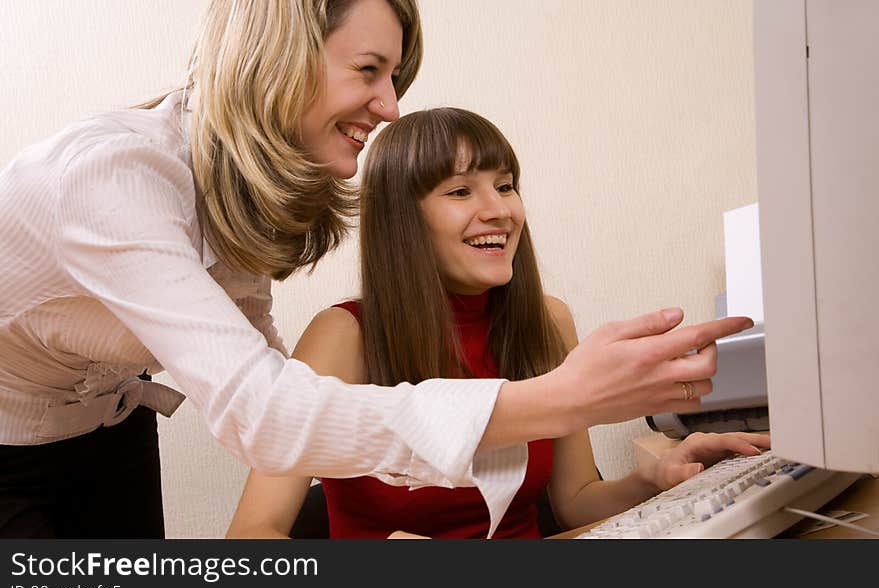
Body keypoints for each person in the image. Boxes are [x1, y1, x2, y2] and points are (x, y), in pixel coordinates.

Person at [0, 0, 752, 538]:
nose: (391, 106)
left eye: (394, 76)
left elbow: (273, 388)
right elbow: (265, 416)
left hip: (106, 422)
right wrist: (556, 397)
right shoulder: (112, 179)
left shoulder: (237, 197)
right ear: (280, 54)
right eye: (369, 71)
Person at [226, 107, 769, 539]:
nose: (500, 210)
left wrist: (654, 480)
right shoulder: (343, 337)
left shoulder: (548, 320)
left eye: (505, 185)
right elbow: (252, 534)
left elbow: (575, 501)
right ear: (401, 221)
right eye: (461, 191)